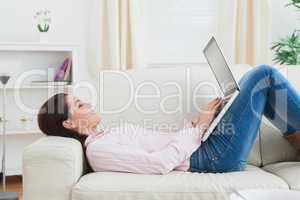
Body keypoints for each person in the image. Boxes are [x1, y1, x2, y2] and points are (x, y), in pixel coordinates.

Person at [37, 65, 300, 174]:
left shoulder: (104, 136)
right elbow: (161, 162)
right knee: (263, 76)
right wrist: (198, 127)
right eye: (80, 105)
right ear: (69, 124)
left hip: (203, 146)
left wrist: (199, 123)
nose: (89, 104)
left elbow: (161, 144)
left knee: (249, 86)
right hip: (212, 158)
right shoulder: (99, 150)